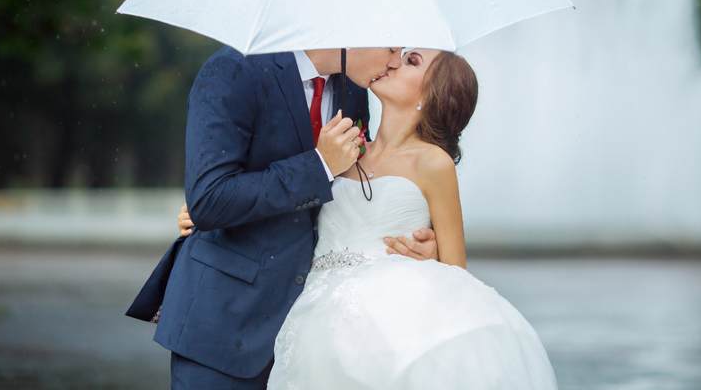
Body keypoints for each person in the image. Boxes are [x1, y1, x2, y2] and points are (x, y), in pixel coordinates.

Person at [178, 48, 559, 389]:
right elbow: (292, 186)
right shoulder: (346, 142)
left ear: (431, 95)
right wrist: (209, 206)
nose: (393, 58)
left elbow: (456, 274)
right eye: (396, 50)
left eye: (408, 59)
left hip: (383, 325)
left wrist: (432, 257)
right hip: (287, 318)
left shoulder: (366, 108)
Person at [127, 46, 439, 389]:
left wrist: (417, 243)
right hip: (227, 324)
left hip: (315, 337)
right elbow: (210, 197)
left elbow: (353, 191)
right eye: (391, 48)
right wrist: (318, 165)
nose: (394, 61)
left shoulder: (354, 91)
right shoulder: (234, 70)